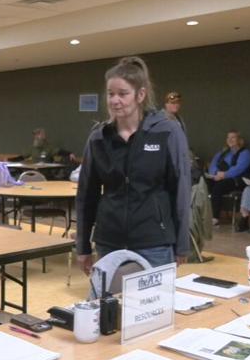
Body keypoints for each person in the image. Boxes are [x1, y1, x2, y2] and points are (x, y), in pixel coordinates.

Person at [75, 56, 192, 272]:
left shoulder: (167, 131)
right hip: (109, 243)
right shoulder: (98, 137)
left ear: (140, 95)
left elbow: (181, 190)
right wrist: (82, 246)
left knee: (152, 297)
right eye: (110, 94)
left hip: (155, 243)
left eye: (122, 94)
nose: (115, 100)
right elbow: (86, 195)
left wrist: (182, 244)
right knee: (110, 296)